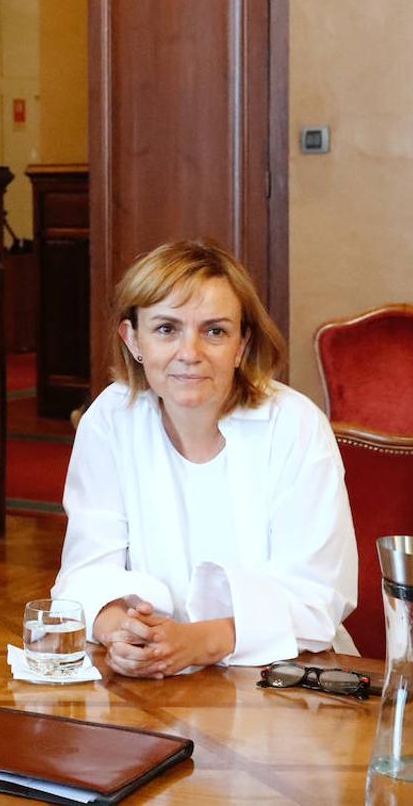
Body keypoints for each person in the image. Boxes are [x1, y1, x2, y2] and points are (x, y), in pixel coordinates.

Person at [52, 239, 357, 678]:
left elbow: (318, 598)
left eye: (214, 331)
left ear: (241, 343)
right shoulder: (110, 418)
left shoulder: (295, 426)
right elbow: (83, 571)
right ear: (132, 339)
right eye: (166, 329)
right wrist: (123, 632)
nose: (189, 353)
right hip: (148, 678)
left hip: (284, 678)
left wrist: (195, 643)